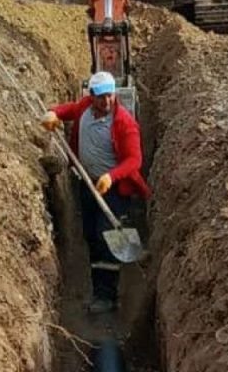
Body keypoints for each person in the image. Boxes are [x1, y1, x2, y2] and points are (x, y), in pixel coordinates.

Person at [41, 71, 151, 314]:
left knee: (106, 238)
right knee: (91, 236)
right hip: (87, 185)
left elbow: (135, 160)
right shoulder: (85, 109)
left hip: (113, 190)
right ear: (91, 97)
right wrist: (53, 113)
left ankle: (107, 296)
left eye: (110, 96)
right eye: (101, 97)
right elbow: (67, 109)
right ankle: (97, 287)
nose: (107, 101)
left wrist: (111, 176)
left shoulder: (124, 123)